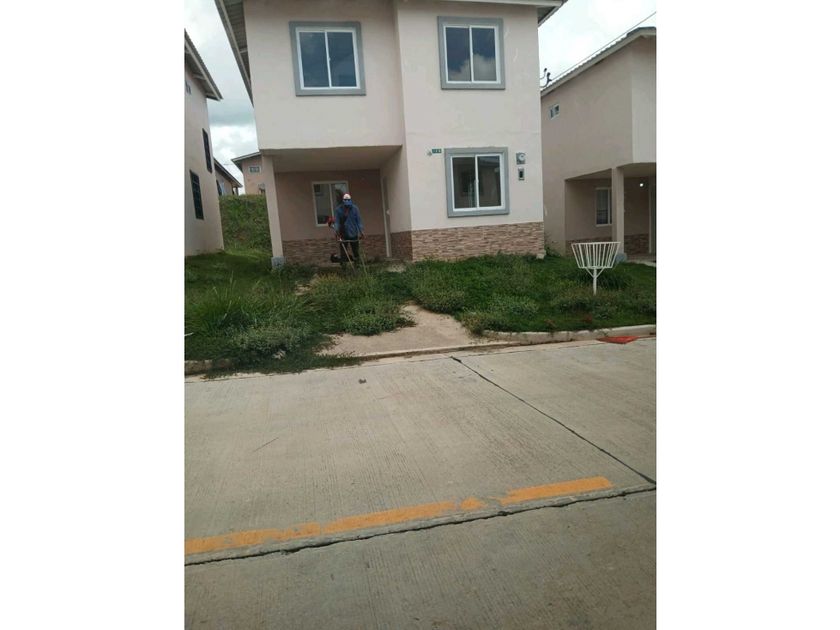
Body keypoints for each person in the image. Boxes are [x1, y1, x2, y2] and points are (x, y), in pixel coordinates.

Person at [330, 193, 364, 263]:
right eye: (345, 201)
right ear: (343, 201)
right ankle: (344, 266)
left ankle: (357, 265)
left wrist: (361, 231)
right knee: (343, 253)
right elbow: (337, 222)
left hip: (353, 233)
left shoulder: (355, 209)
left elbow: (359, 221)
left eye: (348, 201)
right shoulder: (338, 210)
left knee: (356, 252)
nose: (347, 206)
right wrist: (336, 231)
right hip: (343, 234)